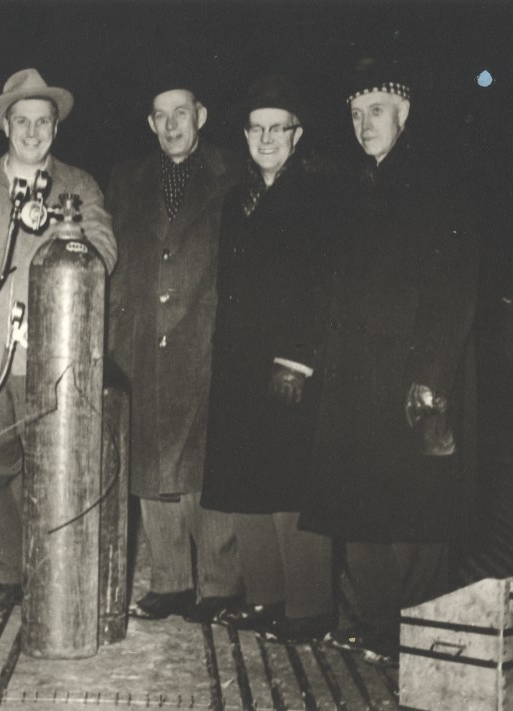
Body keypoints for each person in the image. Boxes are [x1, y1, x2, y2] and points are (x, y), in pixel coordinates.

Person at [299, 62, 479, 661]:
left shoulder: (436, 186)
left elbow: (456, 289)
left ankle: (415, 638)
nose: (362, 124)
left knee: (417, 523)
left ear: (404, 115)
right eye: (354, 114)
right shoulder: (361, 186)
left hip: (410, 379)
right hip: (357, 378)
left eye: (375, 111)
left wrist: (431, 378)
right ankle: (374, 629)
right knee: (362, 510)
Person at [0, 68, 116, 612]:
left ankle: (53, 576)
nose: (32, 132)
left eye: (43, 122)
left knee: (53, 468)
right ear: (5, 125)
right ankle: (6, 576)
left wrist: (70, 238)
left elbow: (104, 248)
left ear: (55, 130)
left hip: (51, 355)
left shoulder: (78, 187)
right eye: (22, 121)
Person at [200, 75, 336, 642]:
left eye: (279, 128)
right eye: (257, 128)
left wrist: (298, 361)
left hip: (286, 365)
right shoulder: (239, 198)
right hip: (237, 360)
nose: (267, 137)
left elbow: (321, 286)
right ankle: (264, 599)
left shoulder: (317, 197)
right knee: (245, 482)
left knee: (289, 487)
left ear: (297, 135)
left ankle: (308, 610)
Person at [107, 75, 244, 622]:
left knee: (205, 464)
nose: (171, 125)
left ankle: (219, 586)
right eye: (160, 115)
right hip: (139, 337)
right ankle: (169, 583)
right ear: (150, 123)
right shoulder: (125, 178)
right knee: (150, 462)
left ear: (201, 116)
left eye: (181, 113)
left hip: (205, 334)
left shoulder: (232, 173)